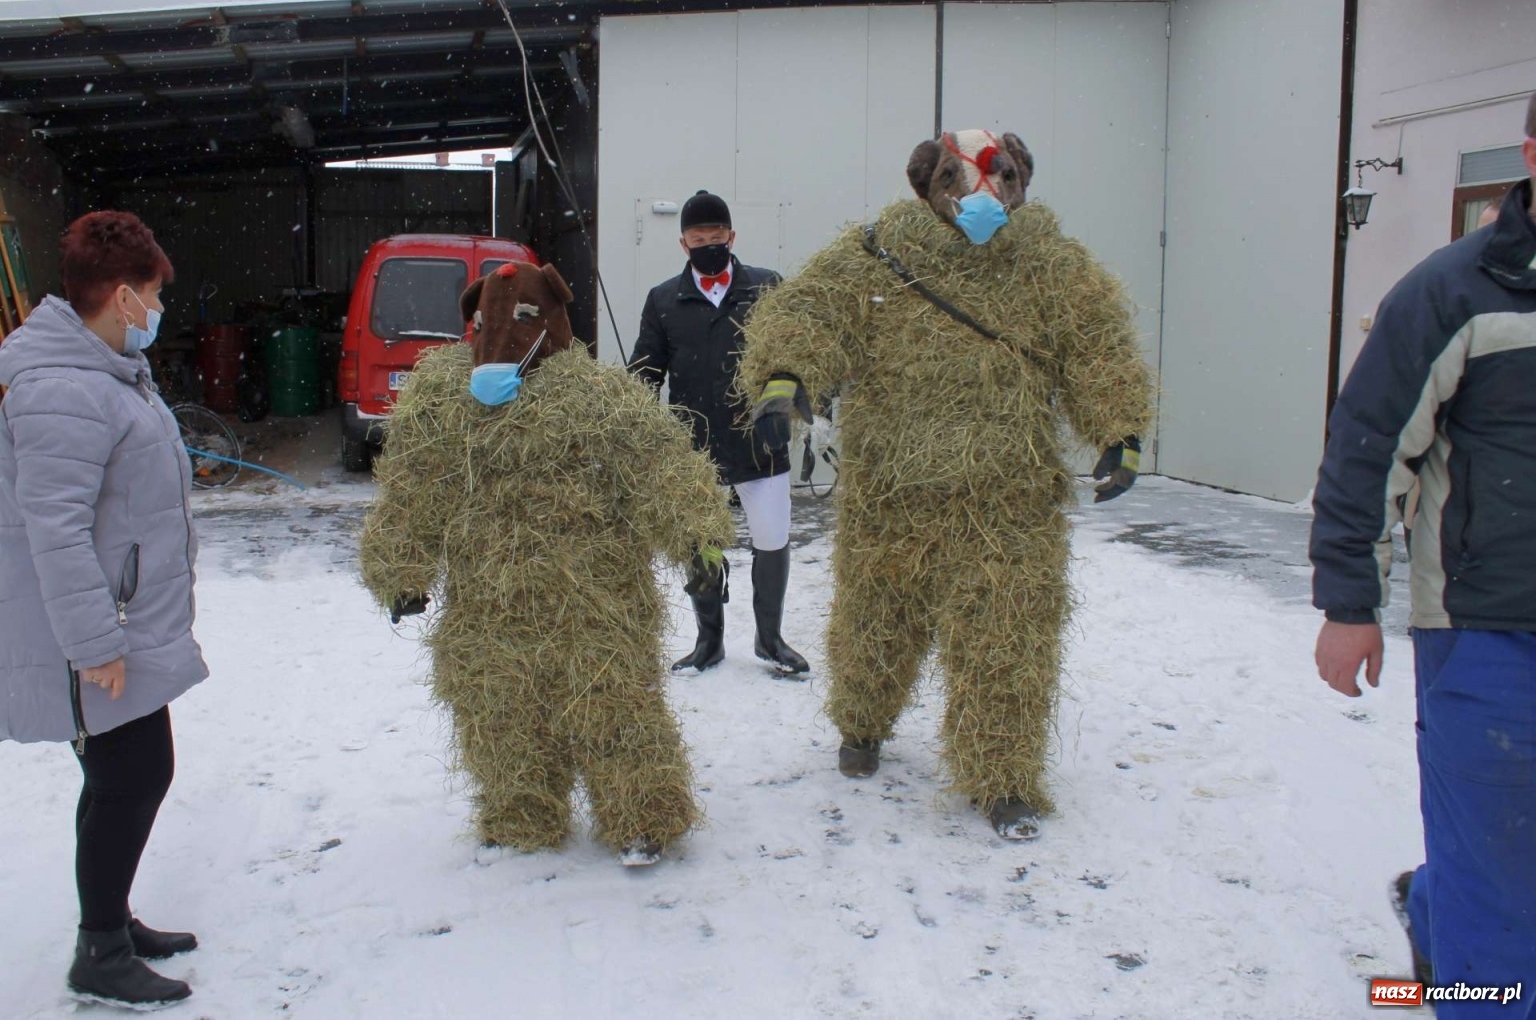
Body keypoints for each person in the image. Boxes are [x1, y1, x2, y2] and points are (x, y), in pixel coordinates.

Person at [737, 131, 1153, 839]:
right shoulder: (878, 255)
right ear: (927, 187)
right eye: (959, 180)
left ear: (1024, 184)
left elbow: (1097, 342)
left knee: (1008, 637)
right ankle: (862, 724)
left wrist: (1120, 429)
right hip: (892, 493)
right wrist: (787, 373)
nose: (985, 195)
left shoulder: (1050, 265)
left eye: (1004, 178)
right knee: (877, 620)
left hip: (1008, 498)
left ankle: (1004, 777)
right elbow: (813, 308)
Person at [359, 262, 733, 865]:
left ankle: (641, 815)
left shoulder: (599, 398)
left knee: (614, 707)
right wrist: (400, 571)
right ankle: (521, 813)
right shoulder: (442, 400)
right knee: (499, 713)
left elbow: (660, 469)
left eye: (523, 318)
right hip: (488, 604)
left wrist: (699, 543)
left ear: (552, 319)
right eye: (487, 323)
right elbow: (413, 488)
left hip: (595, 600)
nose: (501, 336)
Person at [1310, 93, 1536, 1009]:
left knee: (1498, 857)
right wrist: (1349, 603)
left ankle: (1436, 915)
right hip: (1487, 628)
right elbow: (1367, 445)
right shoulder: (1455, 291)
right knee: (1497, 862)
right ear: (1532, 152)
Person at [0, 211, 207, 1008]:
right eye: (153, 295)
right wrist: (93, 644)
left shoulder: (106, 374)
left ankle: (109, 921)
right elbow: (56, 531)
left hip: (120, 619)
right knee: (133, 776)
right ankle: (100, 951)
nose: (158, 311)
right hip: (95, 633)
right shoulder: (63, 390)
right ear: (122, 297)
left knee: (122, 776)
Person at [629, 191, 809, 677]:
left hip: (759, 441)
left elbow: (792, 353)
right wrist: (634, 420)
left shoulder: (766, 288)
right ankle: (708, 641)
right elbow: (646, 370)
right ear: (683, 243)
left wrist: (781, 397)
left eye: (716, 236)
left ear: (732, 236)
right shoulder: (663, 299)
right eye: (698, 238)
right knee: (700, 542)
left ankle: (770, 639)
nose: (708, 244)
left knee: (771, 538)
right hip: (693, 448)